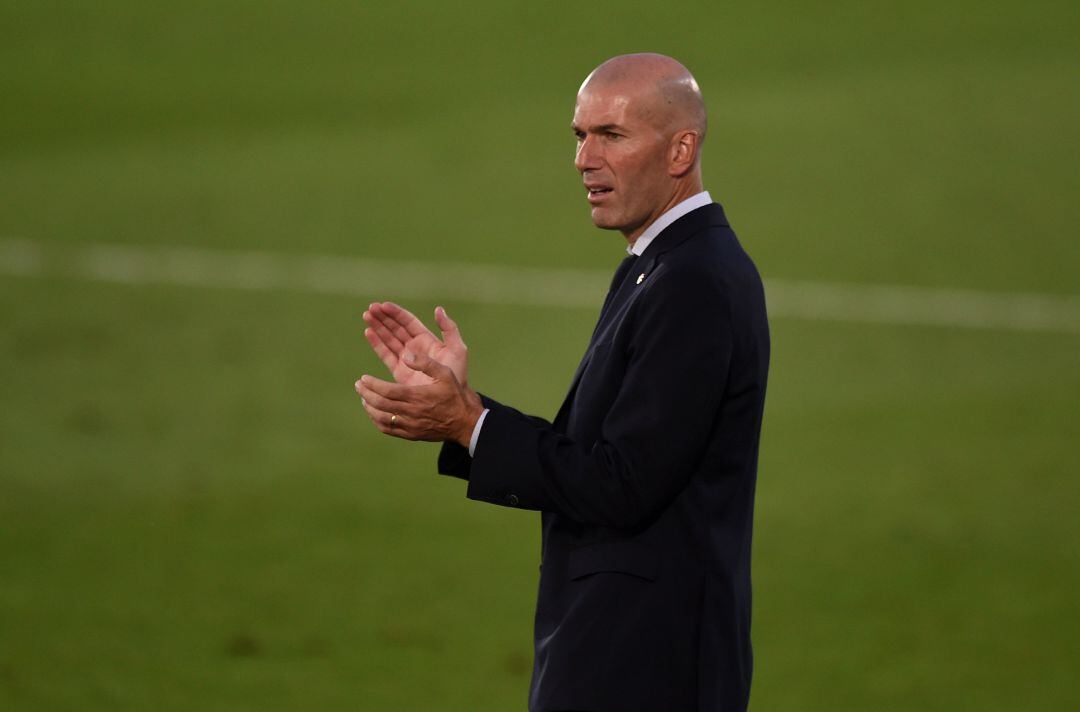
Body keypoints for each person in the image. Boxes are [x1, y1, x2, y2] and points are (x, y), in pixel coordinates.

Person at [356, 53, 769, 712]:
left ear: (680, 149)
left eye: (611, 135)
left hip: (646, 668)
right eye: (580, 135)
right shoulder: (657, 265)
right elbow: (604, 460)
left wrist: (468, 423)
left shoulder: (692, 281)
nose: (583, 159)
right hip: (623, 652)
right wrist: (465, 409)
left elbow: (623, 484)